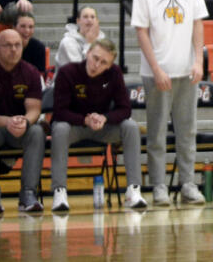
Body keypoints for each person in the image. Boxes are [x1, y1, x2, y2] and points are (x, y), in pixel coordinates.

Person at [132, 0, 208, 206]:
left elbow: (198, 23)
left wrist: (198, 61)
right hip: (157, 73)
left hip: (186, 71)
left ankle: (188, 183)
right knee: (156, 133)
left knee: (187, 131)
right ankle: (159, 185)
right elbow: (141, 32)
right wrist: (156, 69)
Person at [50, 37, 148, 212]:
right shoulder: (68, 72)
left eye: (103, 62)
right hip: (76, 127)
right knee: (59, 128)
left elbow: (125, 109)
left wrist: (105, 118)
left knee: (131, 127)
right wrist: (85, 120)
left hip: (103, 128)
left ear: (110, 65)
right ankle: (60, 191)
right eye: (95, 58)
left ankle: (134, 190)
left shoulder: (114, 73)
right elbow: (59, 111)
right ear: (87, 53)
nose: (97, 65)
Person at [0, 29, 44, 213]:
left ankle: (28, 194)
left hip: (19, 129)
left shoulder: (31, 72)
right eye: (8, 45)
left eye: (17, 45)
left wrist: (25, 122)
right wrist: (7, 122)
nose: (13, 49)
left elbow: (34, 108)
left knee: (36, 132)